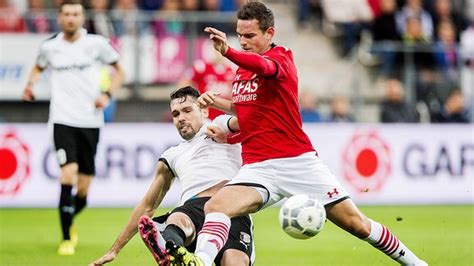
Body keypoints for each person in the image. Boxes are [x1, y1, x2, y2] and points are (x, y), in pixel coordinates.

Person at [167, 2, 427, 265]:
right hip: (257, 167)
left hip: (297, 161)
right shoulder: (243, 72)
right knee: (216, 207)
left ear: (269, 33)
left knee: (358, 225)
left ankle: (417, 264)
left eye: (250, 36)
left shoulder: (281, 58)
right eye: (240, 35)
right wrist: (217, 105)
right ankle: (200, 261)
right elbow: (248, 109)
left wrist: (228, 52)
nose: (243, 41)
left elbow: (266, 68)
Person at [90, 86, 254, 266]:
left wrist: (224, 105)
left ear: (204, 111)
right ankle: (171, 249)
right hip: (194, 208)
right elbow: (147, 206)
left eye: (187, 110)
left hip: (232, 207)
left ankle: (174, 250)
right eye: (175, 114)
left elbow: (254, 118)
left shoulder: (220, 125)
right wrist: (114, 250)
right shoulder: (171, 156)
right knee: (177, 220)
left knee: (235, 262)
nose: (181, 118)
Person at [22, 0, 124, 256]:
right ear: (59, 18)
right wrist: (30, 85)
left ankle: (70, 216)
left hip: (90, 121)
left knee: (84, 190)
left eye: (76, 14)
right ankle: (66, 238)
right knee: (67, 174)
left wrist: (107, 94)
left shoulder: (96, 44)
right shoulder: (50, 47)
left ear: (82, 17)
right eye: (66, 14)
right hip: (62, 120)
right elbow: (37, 66)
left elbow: (119, 70)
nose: (71, 18)